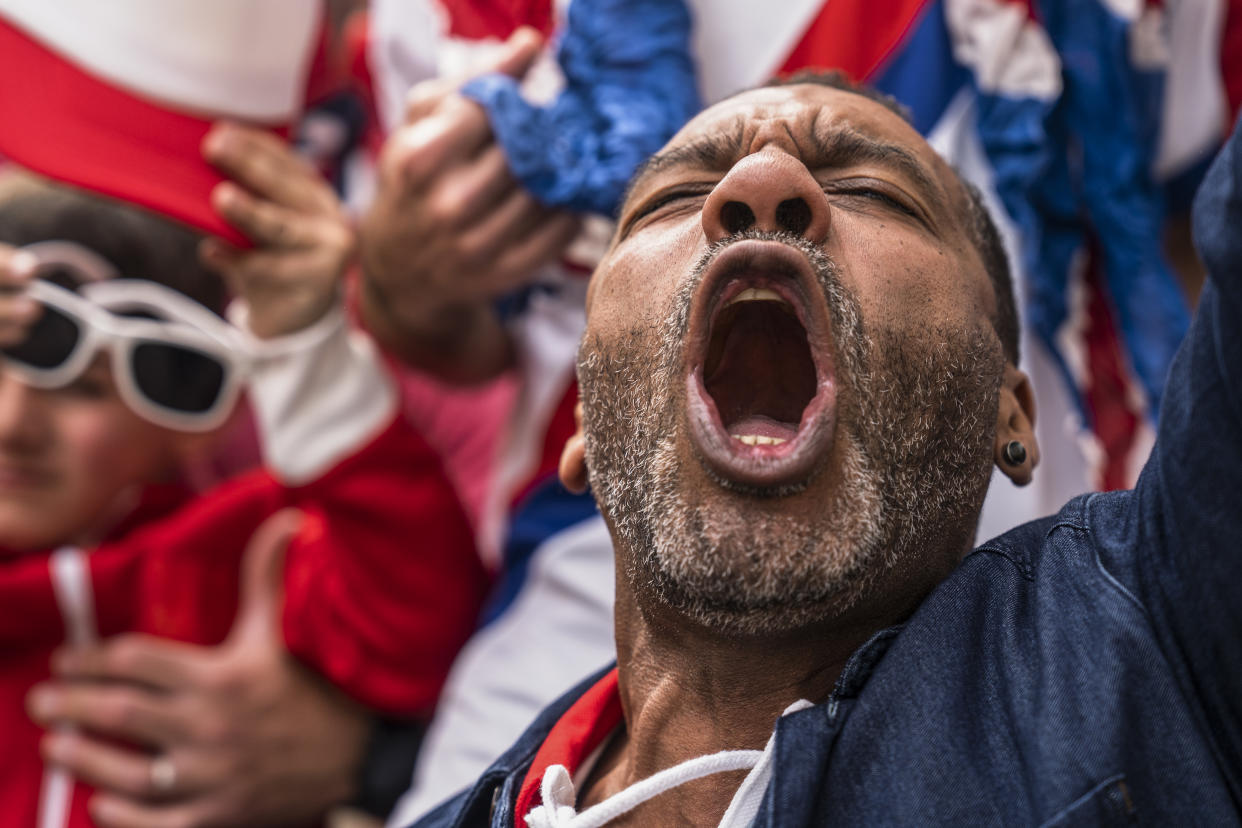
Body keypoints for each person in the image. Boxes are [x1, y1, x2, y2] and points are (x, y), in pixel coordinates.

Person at [410, 73, 1242, 827]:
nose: (759, 185)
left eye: (874, 191)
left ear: (1009, 417)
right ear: (584, 424)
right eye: (674, 197)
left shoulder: (1155, 635)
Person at [0, 122, 488, 828]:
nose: (12, 423)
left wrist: (303, 351)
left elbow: (411, 632)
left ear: (195, 403)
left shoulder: (245, 556)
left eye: (84, 386)